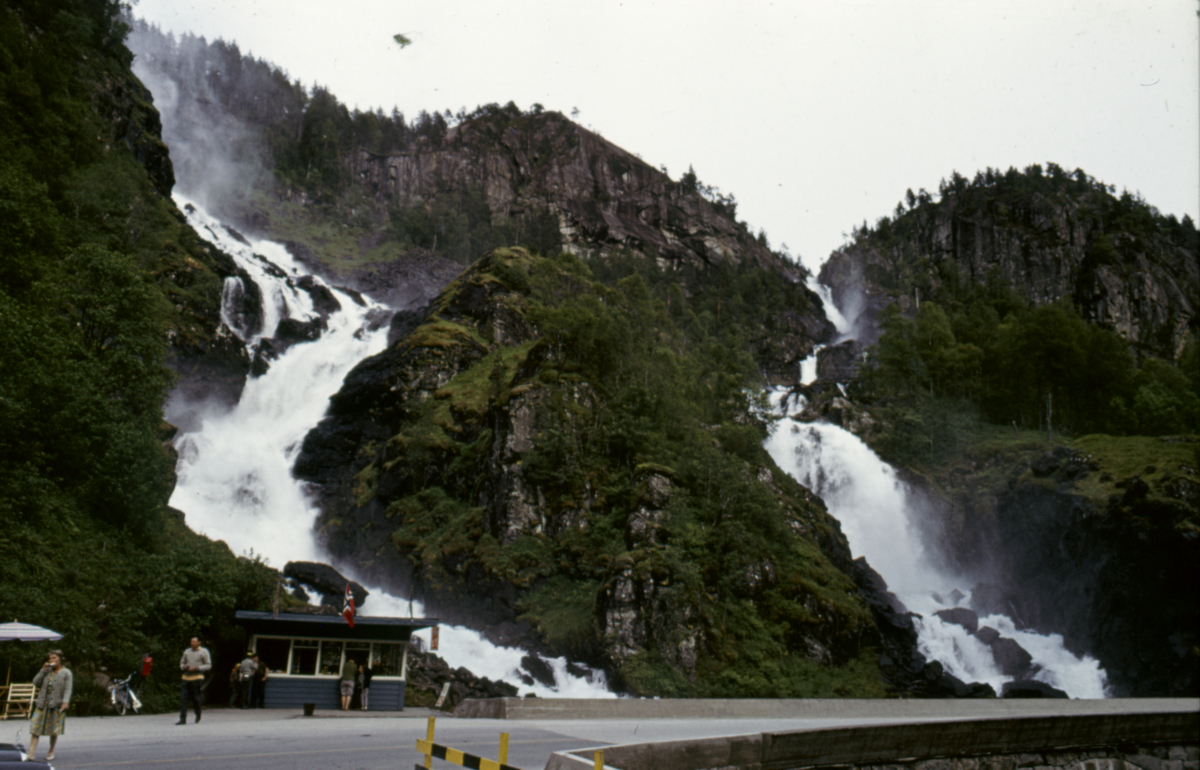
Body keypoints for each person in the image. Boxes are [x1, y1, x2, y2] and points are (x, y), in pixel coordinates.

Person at [28, 650, 72, 762]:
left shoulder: (66, 673)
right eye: (50, 658)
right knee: (35, 728)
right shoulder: (46, 671)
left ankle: (51, 750)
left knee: (54, 730)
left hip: (56, 705)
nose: (51, 660)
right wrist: (43, 670)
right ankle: (31, 752)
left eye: (54, 658)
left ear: (60, 659)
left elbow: (68, 689)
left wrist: (65, 702)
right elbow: (35, 682)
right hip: (42, 704)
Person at [177, 637, 211, 725]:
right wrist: (184, 667)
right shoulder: (187, 651)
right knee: (183, 698)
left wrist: (197, 668)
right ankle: (182, 718)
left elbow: (208, 665)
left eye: (194, 641)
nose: (192, 643)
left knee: (195, 698)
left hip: (197, 677)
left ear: (199, 642)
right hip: (186, 677)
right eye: (191, 641)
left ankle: (198, 713)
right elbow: (181, 663)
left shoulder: (203, 652)